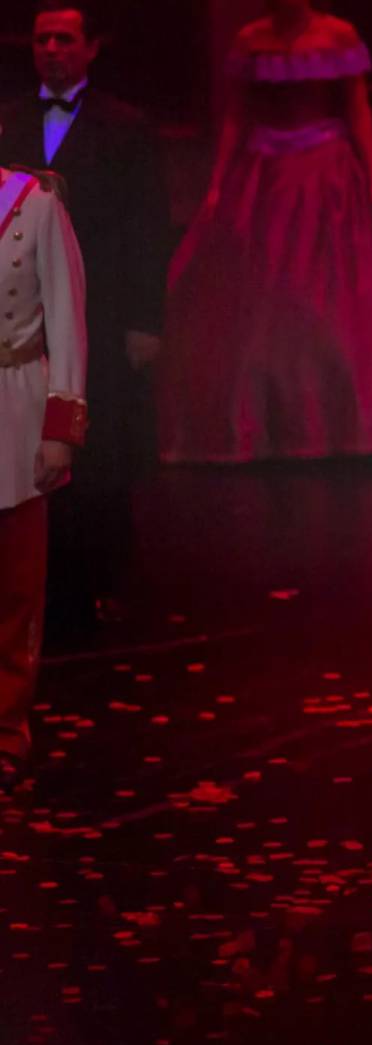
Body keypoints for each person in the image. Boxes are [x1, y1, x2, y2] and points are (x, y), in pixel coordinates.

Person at [157, 0, 372, 463]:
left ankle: (344, 421)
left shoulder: (337, 35)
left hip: (327, 171)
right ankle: (261, 425)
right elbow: (237, 114)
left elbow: (357, 107)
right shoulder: (251, 39)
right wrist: (217, 182)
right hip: (265, 174)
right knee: (263, 298)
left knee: (336, 296)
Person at [0, 1, 171, 643]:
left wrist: (144, 319)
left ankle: (100, 584)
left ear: (91, 47)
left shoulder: (126, 129)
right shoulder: (8, 124)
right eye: (42, 37)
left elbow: (147, 228)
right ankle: (39, 588)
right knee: (26, 455)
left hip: (100, 305)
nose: (51, 48)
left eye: (64, 38)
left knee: (99, 451)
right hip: (22, 317)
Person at [0, 165, 87, 786]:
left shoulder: (35, 203)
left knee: (14, 586)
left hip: (16, 406)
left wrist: (62, 425)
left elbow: (66, 316)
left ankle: (5, 730)